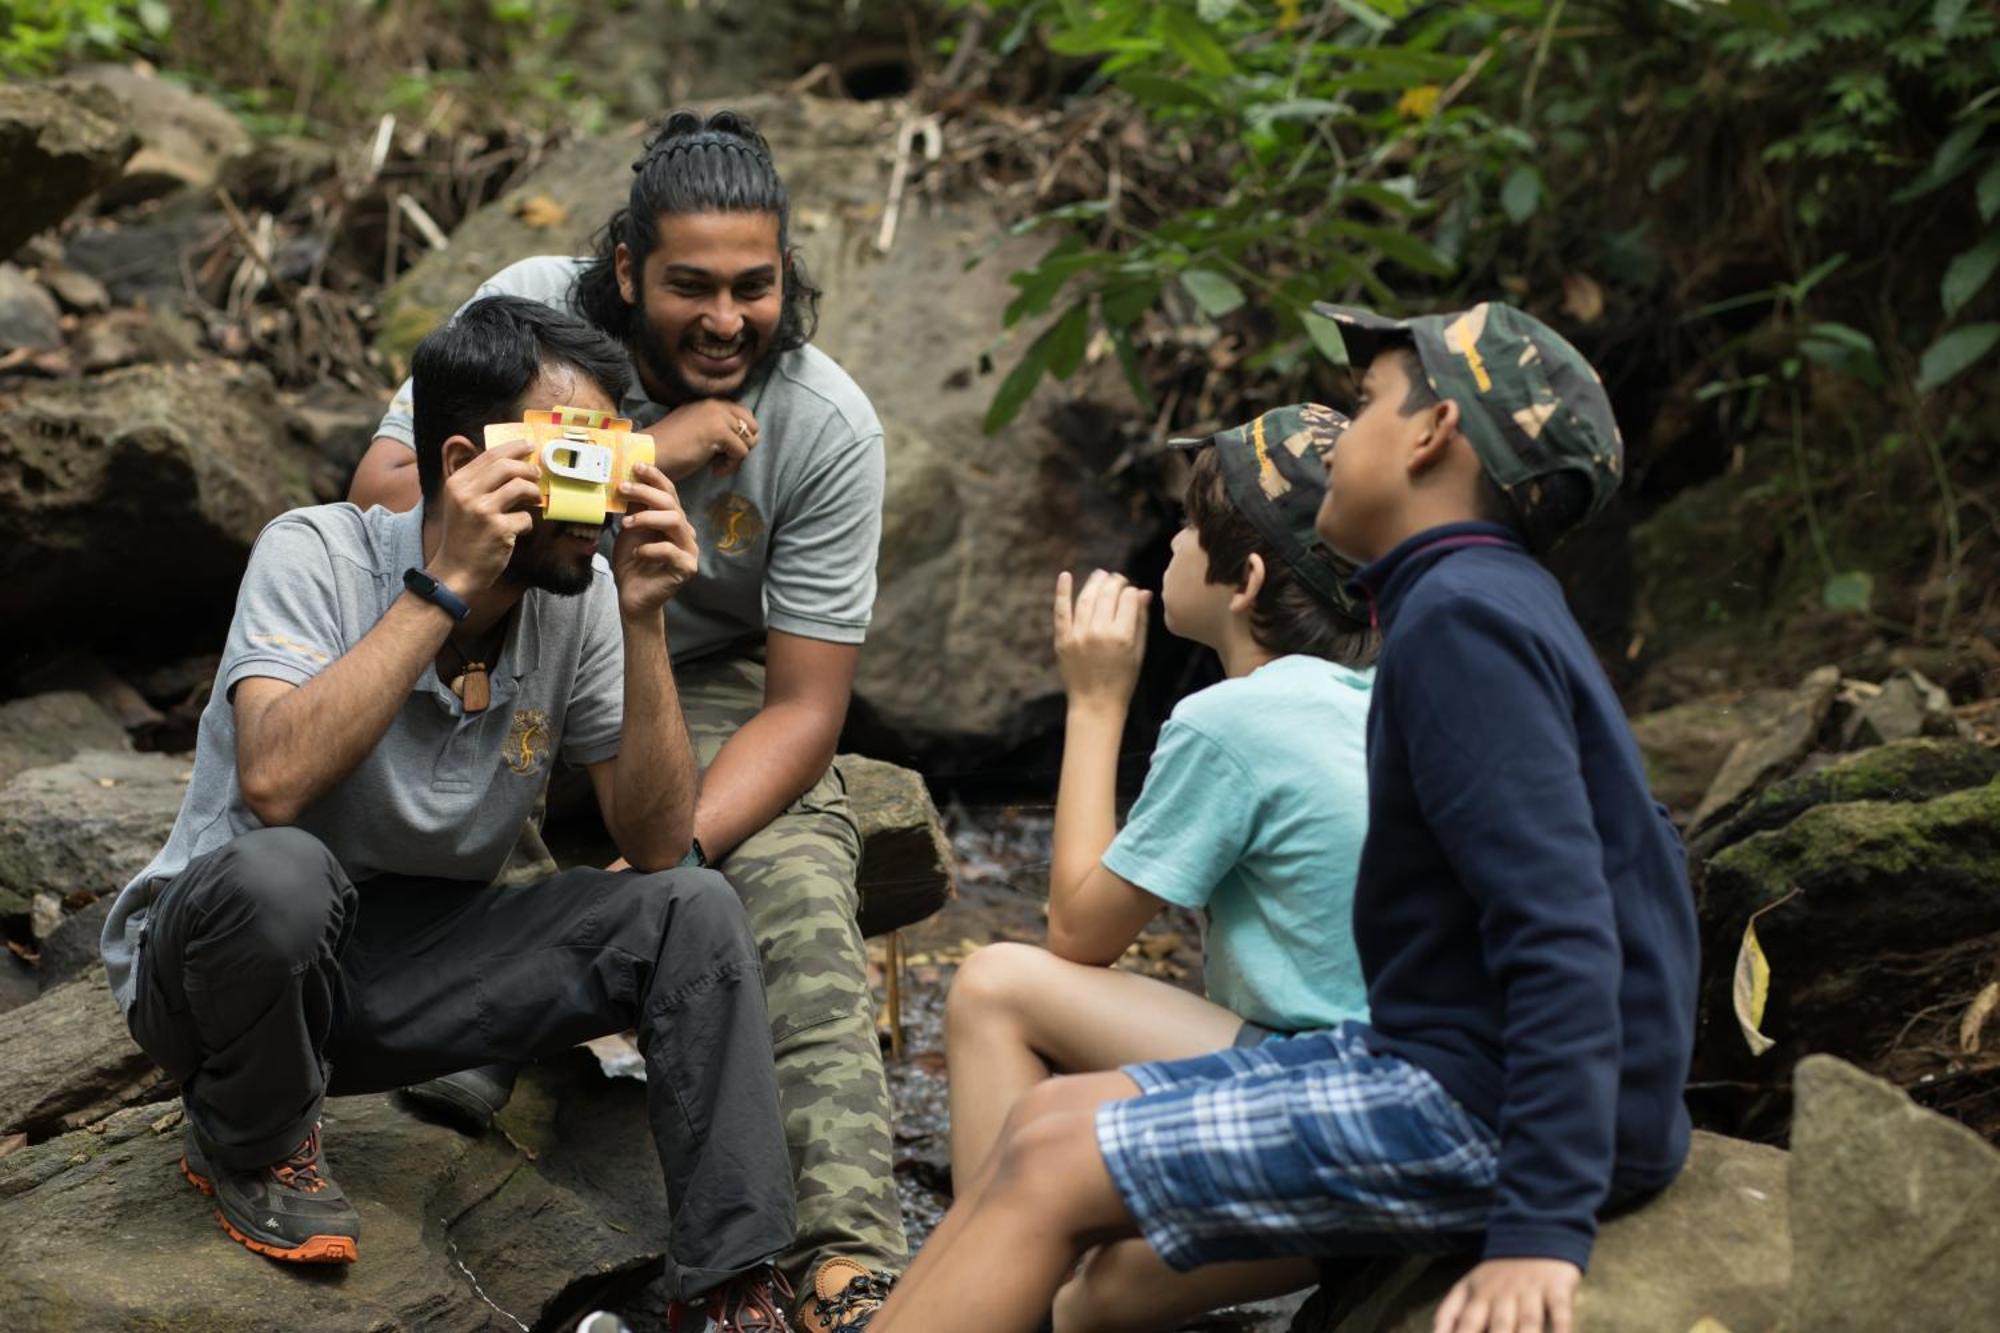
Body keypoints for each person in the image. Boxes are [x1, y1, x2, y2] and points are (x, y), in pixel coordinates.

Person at [870, 301, 1699, 1333]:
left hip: (1483, 1102)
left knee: (1046, 1161)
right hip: (1451, 1062)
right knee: (1044, 1127)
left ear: (1431, 435)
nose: (1340, 433)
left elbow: (1564, 920)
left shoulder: (1462, 623)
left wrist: (1539, 1225)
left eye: (1361, 408)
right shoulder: (1483, 600)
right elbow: (1645, 858)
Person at [99, 295, 798, 1329]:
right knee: (281, 871)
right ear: (467, 459)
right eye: (570, 459)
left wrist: (647, 618)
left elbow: (654, 843)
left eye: (612, 455)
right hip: (220, 966)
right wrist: (445, 587)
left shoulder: (587, 596)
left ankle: (732, 1281)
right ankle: (248, 1135)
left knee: (689, 906)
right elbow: (275, 783)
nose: (600, 494)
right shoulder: (316, 553)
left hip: (407, 970)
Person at [347, 110, 899, 1333]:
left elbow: (804, 706)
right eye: (690, 286)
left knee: (798, 884)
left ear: (787, 278)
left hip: (695, 681)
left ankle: (841, 1261)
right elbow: (385, 497)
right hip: (511, 629)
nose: (724, 319)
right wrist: (643, 449)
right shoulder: (536, 312)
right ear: (625, 269)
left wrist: (678, 855)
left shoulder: (824, 423)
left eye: (754, 288)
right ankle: (473, 1040)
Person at [941, 404, 1375, 1327]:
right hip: (1396, 1113)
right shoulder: (1390, 690)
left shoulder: (1238, 719)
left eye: (1186, 528)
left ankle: (987, 1270)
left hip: (1319, 1096)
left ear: (1246, 578)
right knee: (1093, 1299)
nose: (1170, 545)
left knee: (996, 985)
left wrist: (1096, 702)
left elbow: (1079, 931)